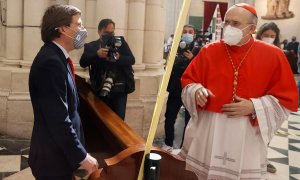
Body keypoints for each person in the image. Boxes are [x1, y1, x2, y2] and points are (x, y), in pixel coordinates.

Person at [179, 3, 298, 179]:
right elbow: (189, 80)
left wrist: (254, 106)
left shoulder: (273, 55)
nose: (228, 27)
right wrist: (196, 91)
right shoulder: (209, 50)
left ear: (251, 28)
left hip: (246, 130)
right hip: (210, 128)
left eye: (235, 23)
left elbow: (287, 98)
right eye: (226, 22)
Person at [28, 4, 98, 180]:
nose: (83, 30)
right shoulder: (50, 63)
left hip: (59, 154)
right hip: (52, 159)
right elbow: (58, 119)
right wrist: (82, 156)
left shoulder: (58, 57)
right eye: (79, 25)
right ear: (62, 29)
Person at [80, 19, 135, 120]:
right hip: (100, 87)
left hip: (119, 88)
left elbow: (131, 60)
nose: (110, 35)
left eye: (112, 32)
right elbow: (83, 63)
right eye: (106, 33)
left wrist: (119, 57)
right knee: (101, 119)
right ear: (99, 31)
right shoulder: (92, 46)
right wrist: (97, 54)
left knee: (119, 120)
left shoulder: (120, 42)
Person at [162, 24, 201, 152]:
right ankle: (168, 143)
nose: (188, 34)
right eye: (185, 32)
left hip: (191, 89)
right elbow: (168, 65)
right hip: (176, 89)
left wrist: (192, 59)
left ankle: (185, 147)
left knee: (189, 120)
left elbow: (202, 69)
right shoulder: (175, 48)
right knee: (170, 116)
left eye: (190, 32)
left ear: (194, 35)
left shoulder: (199, 50)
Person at [256, 21, 281, 174]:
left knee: (267, 129)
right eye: (266, 35)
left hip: (269, 98)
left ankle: (263, 158)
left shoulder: (278, 53)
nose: (269, 38)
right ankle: (254, 157)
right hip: (253, 95)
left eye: (272, 36)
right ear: (259, 35)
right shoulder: (253, 49)